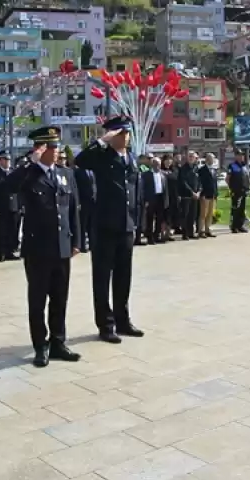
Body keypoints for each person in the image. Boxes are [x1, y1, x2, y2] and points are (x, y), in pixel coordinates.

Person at [5, 126, 81, 367]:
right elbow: (9, 186)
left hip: (62, 246)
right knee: (38, 300)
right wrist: (30, 163)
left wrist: (77, 240)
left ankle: (58, 342)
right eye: (51, 147)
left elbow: (73, 209)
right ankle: (41, 345)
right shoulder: (29, 174)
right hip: (37, 249)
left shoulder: (65, 174)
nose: (56, 151)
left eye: (57, 146)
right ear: (39, 149)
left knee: (60, 298)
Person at [75, 116, 145, 343]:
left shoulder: (131, 158)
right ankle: (106, 325)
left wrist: (136, 222)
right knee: (103, 278)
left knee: (124, 277)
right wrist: (101, 141)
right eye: (120, 133)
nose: (125, 137)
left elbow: (135, 192)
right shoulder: (101, 157)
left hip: (126, 225)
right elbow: (80, 160)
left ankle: (123, 320)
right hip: (104, 225)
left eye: (126, 133)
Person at [0, 150, 21, 262]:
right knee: (1, 231)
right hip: (0, 207)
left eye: (9, 159)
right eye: (5, 159)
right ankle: (1, 253)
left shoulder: (14, 172)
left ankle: (10, 252)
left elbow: (19, 190)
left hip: (13, 205)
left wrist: (20, 205)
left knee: (12, 230)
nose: (7, 162)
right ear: (0, 160)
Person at [72, 154, 95, 253]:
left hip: (93, 201)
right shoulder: (78, 172)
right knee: (83, 224)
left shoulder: (92, 171)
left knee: (92, 224)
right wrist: (78, 202)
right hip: (83, 201)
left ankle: (92, 244)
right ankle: (82, 246)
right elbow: (76, 188)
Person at [142, 156, 168, 245]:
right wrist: (145, 200)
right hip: (151, 199)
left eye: (159, 164)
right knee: (149, 219)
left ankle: (157, 236)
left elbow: (165, 189)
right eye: (156, 164)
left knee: (159, 218)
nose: (158, 166)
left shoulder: (163, 174)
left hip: (160, 198)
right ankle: (150, 237)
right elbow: (143, 189)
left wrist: (166, 200)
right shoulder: (146, 175)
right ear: (152, 164)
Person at [227, 150, 249, 233]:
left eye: (242, 155)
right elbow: (227, 179)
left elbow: (246, 178)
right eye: (239, 155)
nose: (241, 157)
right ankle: (234, 226)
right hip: (236, 191)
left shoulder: (244, 166)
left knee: (242, 209)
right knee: (235, 208)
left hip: (244, 191)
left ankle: (240, 225)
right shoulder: (232, 166)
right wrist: (231, 188)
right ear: (235, 156)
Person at [198, 153, 218, 238]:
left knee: (210, 213)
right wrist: (202, 194)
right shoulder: (202, 170)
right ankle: (201, 230)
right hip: (205, 195)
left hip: (212, 194)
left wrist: (216, 193)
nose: (212, 160)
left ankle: (207, 229)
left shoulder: (214, 169)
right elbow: (200, 183)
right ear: (206, 159)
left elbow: (215, 182)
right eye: (210, 158)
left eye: (213, 159)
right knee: (203, 214)